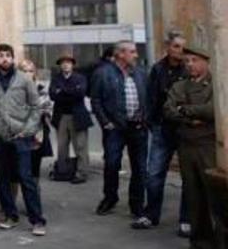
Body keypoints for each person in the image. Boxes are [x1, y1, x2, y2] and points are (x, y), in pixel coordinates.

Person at [0, 43, 46, 236]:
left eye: (7, 55)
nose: (4, 59)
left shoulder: (24, 79)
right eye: (0, 56)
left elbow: (35, 107)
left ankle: (37, 220)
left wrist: (29, 129)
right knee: (3, 178)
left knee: (26, 178)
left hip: (21, 136)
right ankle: (10, 215)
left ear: (13, 58)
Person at [134, 34, 190, 233]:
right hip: (162, 128)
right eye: (176, 46)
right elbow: (150, 96)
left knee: (188, 176)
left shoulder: (188, 68)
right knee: (154, 174)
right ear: (168, 48)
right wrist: (151, 121)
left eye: (182, 47)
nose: (180, 51)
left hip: (184, 128)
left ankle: (187, 219)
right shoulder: (158, 69)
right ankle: (151, 215)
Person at [164, 46, 217, 249]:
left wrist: (185, 110)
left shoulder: (215, 84)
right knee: (193, 195)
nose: (189, 65)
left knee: (214, 194)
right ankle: (200, 242)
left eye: (194, 60)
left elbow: (213, 110)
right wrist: (192, 116)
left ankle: (220, 238)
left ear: (206, 61)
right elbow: (168, 110)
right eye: (187, 61)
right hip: (187, 145)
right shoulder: (180, 86)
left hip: (209, 145)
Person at [91, 40, 148, 217]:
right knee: (112, 164)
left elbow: (148, 97)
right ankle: (110, 198)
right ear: (120, 54)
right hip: (115, 128)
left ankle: (136, 203)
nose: (136, 55)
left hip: (137, 127)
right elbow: (96, 100)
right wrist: (105, 122)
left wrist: (145, 118)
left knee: (139, 167)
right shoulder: (103, 73)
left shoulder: (140, 73)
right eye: (132, 52)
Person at [49, 55, 92, 184]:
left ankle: (82, 173)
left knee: (80, 146)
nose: (66, 65)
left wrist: (62, 92)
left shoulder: (80, 78)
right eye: (63, 63)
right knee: (62, 147)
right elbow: (52, 95)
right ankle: (62, 172)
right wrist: (71, 91)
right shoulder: (56, 78)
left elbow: (80, 94)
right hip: (61, 116)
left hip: (78, 116)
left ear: (73, 65)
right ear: (60, 65)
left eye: (68, 62)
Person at [17, 59, 53, 181]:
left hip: (37, 134)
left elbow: (47, 108)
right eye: (24, 71)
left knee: (34, 170)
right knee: (18, 171)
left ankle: (34, 198)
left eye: (30, 71)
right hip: (18, 133)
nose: (28, 74)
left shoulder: (41, 89)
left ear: (34, 73)